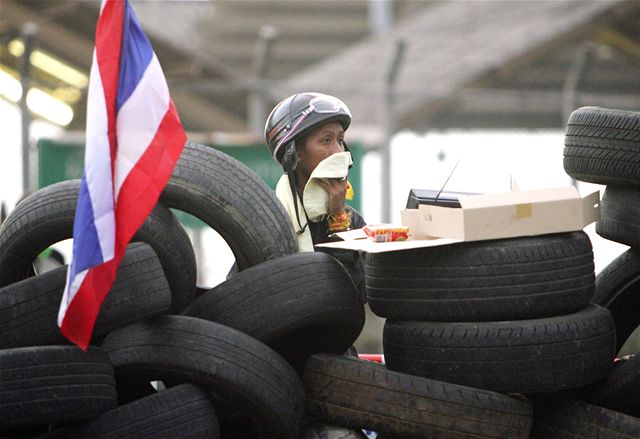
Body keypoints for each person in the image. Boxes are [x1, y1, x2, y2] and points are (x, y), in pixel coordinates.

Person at [264, 92, 366, 299]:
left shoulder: (352, 221)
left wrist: (338, 218)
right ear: (295, 152)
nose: (338, 151)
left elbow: (356, 295)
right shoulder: (268, 219)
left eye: (340, 140)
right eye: (326, 140)